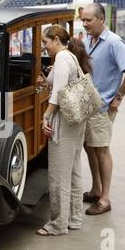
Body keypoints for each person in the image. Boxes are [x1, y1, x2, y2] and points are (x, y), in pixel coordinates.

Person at [81, 3, 125, 215]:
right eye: (83, 19)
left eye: (88, 20)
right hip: (88, 107)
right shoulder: (89, 40)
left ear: (101, 19)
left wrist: (119, 96)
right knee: (90, 148)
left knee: (102, 150)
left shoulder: (114, 42)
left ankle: (105, 199)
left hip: (103, 107)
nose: (84, 23)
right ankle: (96, 189)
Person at [35, 26, 91, 236]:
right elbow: (55, 83)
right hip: (78, 120)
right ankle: (74, 219)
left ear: (56, 39)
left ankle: (57, 224)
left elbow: (58, 94)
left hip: (65, 121)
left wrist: (46, 116)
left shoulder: (61, 59)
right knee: (74, 172)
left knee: (59, 174)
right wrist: (45, 80)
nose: (44, 46)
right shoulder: (71, 57)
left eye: (46, 42)